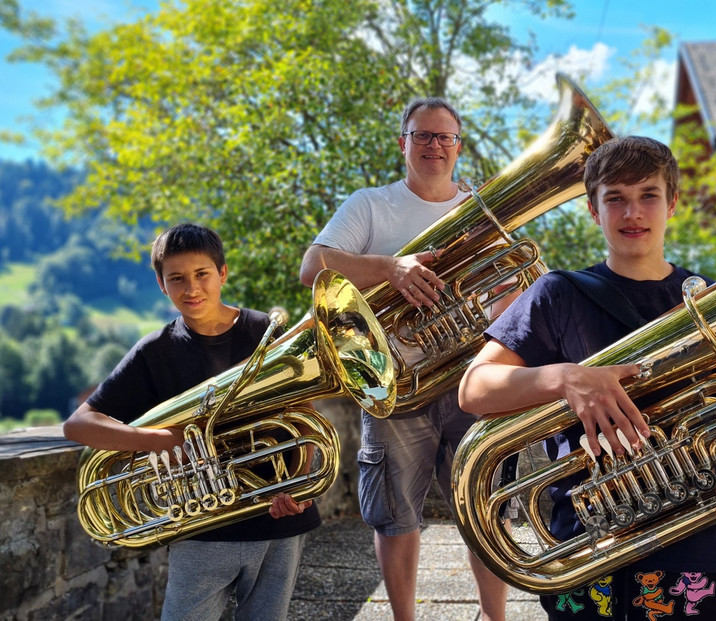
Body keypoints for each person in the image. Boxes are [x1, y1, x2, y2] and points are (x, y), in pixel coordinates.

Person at [458, 136, 716, 620]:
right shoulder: (558, 295)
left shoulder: (711, 304)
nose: (633, 213)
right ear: (594, 210)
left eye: (648, 195)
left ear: (672, 204)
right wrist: (567, 378)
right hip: (588, 551)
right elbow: (474, 388)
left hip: (694, 554)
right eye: (616, 199)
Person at [298, 96, 509, 621]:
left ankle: (496, 617)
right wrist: (392, 268)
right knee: (394, 517)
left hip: (472, 381)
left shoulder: (483, 208)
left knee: (485, 512)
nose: (434, 146)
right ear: (403, 143)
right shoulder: (371, 205)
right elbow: (312, 267)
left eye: (445, 137)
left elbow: (511, 287)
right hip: (392, 383)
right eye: (423, 136)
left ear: (459, 147)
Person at [64, 222, 320, 621]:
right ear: (162, 285)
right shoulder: (155, 351)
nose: (192, 288)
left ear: (223, 273)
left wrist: (301, 484)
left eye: (202, 274)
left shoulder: (266, 334)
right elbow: (78, 425)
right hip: (200, 529)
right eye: (177, 279)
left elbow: (304, 421)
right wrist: (157, 441)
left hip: (277, 517)